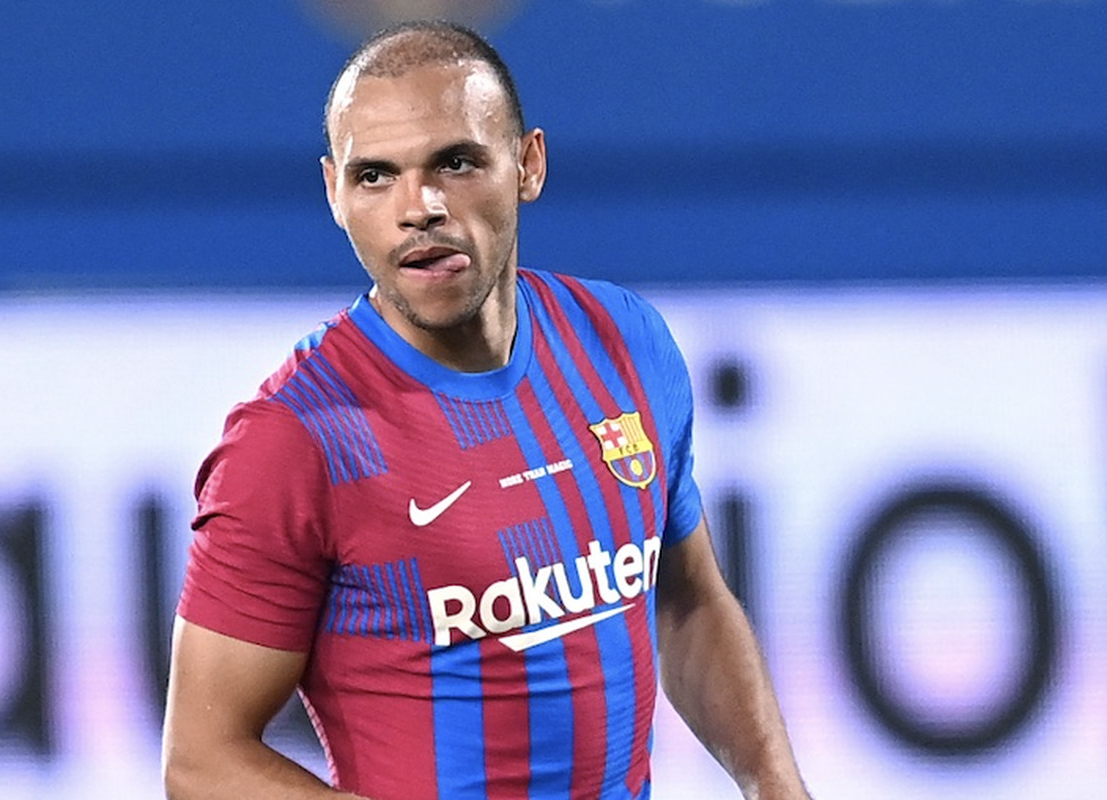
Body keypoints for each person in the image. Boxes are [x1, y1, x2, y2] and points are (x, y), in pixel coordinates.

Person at [162, 19, 812, 800]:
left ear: (528, 164)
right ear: (334, 192)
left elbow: (688, 599)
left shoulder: (626, 343)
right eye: (375, 176)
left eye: (456, 162)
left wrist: (777, 786)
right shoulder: (296, 439)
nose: (419, 207)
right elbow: (202, 761)